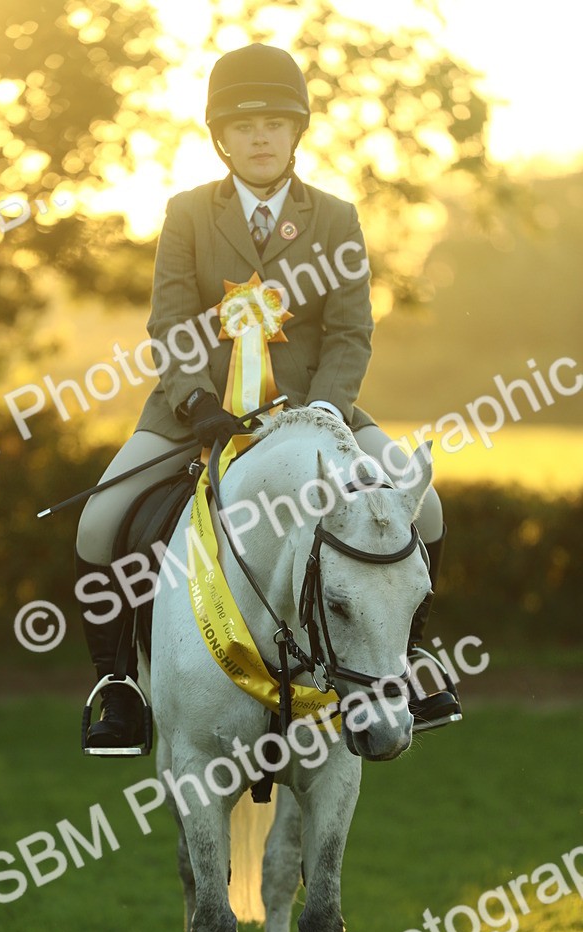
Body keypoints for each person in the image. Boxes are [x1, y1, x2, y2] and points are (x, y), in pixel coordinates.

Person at [75, 42, 462, 753]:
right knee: (97, 525)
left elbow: (350, 332)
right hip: (197, 414)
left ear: (296, 133)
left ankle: (406, 657)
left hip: (319, 413)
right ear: (220, 137)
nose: (259, 136)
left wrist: (322, 409)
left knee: (426, 508)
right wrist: (195, 403)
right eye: (244, 125)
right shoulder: (187, 214)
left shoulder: (336, 217)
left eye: (274, 123)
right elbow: (169, 320)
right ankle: (119, 685)